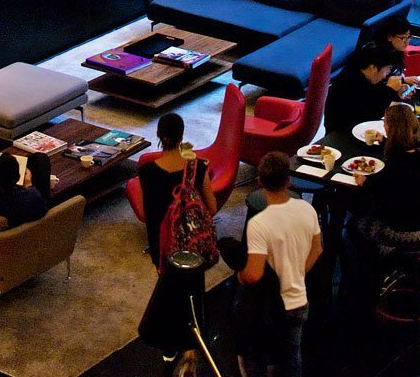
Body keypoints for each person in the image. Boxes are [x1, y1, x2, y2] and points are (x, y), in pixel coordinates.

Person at [237, 152, 322, 377]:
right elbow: (317, 248)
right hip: (296, 297)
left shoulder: (259, 224)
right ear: (289, 180)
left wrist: (241, 276)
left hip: (270, 304)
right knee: (292, 353)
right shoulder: (307, 210)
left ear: (259, 181)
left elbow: (254, 274)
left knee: (254, 356)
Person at [136, 112, 217, 268]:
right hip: (196, 249)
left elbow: (144, 213)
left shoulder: (146, 171)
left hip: (161, 248)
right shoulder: (198, 168)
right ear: (181, 137)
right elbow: (212, 208)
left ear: (158, 135)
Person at [356, 102, 420, 256]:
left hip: (409, 234)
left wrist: (364, 181)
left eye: (385, 123)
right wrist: (384, 141)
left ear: (390, 129)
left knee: (358, 224)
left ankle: (381, 268)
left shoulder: (397, 163)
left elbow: (379, 187)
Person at [325, 42, 400, 136]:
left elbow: (375, 95)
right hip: (341, 136)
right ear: (372, 67)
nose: (386, 75)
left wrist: (396, 91)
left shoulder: (363, 75)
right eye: (387, 69)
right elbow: (370, 115)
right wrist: (390, 91)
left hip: (355, 132)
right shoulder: (349, 83)